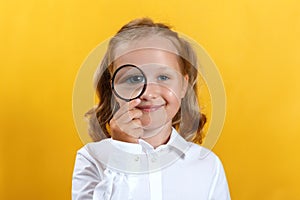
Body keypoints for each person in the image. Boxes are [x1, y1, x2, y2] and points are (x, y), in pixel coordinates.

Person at [72, 18, 231, 200]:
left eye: (163, 77)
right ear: (114, 88)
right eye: (134, 79)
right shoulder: (92, 158)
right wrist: (125, 153)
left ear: (183, 86)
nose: (148, 92)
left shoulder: (208, 165)